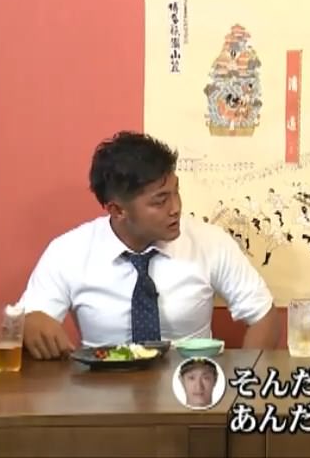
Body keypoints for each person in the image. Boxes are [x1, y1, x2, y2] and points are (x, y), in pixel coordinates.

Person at [17, 131, 280, 359]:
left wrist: (246, 383)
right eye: (160, 201)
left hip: (192, 386)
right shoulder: (68, 252)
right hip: (102, 391)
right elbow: (28, 321)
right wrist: (30, 324)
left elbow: (263, 316)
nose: (176, 208)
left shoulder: (210, 242)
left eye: (176, 192)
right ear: (117, 210)